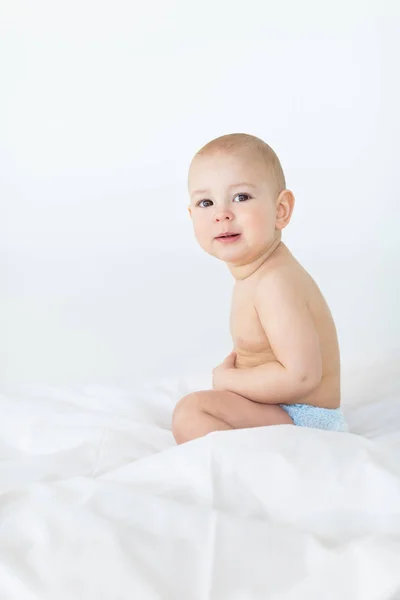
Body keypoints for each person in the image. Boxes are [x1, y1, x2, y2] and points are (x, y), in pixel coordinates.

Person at [172, 133, 347, 444]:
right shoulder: (255, 273)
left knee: (192, 412)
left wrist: (229, 380)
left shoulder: (275, 283)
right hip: (280, 409)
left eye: (241, 197)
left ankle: (255, 477)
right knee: (197, 410)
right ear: (191, 216)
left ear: (281, 210)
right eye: (206, 202)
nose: (221, 213)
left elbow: (302, 376)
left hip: (305, 419)